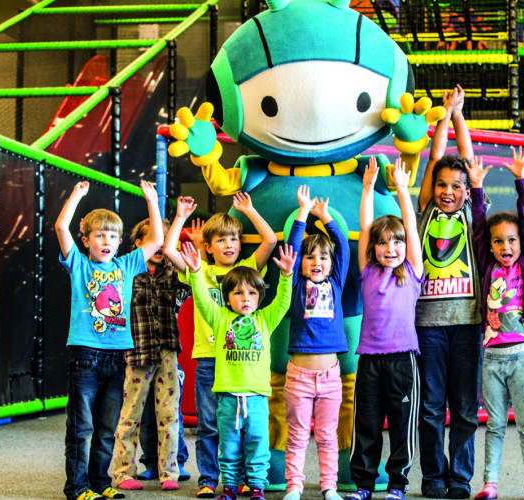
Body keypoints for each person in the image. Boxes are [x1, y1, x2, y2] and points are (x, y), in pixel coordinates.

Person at [162, 193, 277, 498]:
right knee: (210, 424)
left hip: (240, 367)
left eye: (233, 239)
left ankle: (234, 478)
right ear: (209, 246)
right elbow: (169, 249)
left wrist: (249, 210)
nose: (228, 245)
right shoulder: (199, 269)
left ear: (240, 245)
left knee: (238, 427)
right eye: (221, 240)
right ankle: (208, 479)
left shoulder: (247, 271)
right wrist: (181, 218)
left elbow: (269, 241)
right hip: (209, 360)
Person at [55, 180, 163, 500]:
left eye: (112, 236)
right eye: (99, 235)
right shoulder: (79, 264)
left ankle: (100, 482)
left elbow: (157, 239)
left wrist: (152, 200)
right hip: (85, 355)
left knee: (106, 428)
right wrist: (76, 195)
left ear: (118, 243)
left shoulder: (126, 265)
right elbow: (61, 225)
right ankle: (77, 488)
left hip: (117, 356)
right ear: (86, 239)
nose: (106, 241)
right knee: (81, 427)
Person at [179, 242, 296, 500]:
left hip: (256, 398)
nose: (246, 299)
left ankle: (256, 487)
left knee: (257, 445)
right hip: (228, 399)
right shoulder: (220, 317)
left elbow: (283, 302)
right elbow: (201, 300)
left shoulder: (264, 319)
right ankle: (229, 488)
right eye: (239, 294)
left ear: (259, 296)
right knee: (228, 446)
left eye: (252, 293)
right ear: (227, 297)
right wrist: (196, 272)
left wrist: (287, 276)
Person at [467, 148, 524, 500]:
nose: (505, 246)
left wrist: (522, 183)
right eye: (499, 241)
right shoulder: (487, 264)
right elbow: (479, 231)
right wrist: (476, 190)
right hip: (493, 358)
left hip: (522, 357)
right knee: (496, 425)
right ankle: (490, 484)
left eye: (511, 240)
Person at [415, 85, 482, 499]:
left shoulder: (472, 212)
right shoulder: (425, 210)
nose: (448, 191)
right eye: (443, 185)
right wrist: (443, 116)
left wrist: (459, 116)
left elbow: (465, 162)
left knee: (463, 407)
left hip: (468, 324)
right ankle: (432, 475)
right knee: (430, 406)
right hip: (428, 325)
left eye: (457, 187)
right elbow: (435, 162)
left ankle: (460, 477)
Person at [345, 157, 423, 500]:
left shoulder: (413, 273)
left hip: (404, 360)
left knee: (403, 425)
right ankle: (364, 484)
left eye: (397, 243)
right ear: (374, 250)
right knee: (367, 425)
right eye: (383, 243)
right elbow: (364, 229)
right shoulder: (368, 272)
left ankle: (397, 485)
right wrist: (366, 190)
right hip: (370, 361)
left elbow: (411, 227)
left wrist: (404, 191)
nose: (390, 249)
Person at [111, 218, 190, 492]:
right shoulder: (128, 273)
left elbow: (193, 281)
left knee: (169, 416)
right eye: (155, 240)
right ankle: (122, 472)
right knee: (131, 414)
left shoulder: (174, 274)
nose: (161, 246)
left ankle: (169, 471)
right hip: (138, 353)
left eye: (166, 240)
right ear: (139, 244)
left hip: (167, 351)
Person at [282, 186, 350, 500]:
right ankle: (294, 486)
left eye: (322, 256)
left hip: (330, 376)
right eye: (310, 257)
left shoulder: (336, 281)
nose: (316, 261)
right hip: (298, 376)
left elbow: (343, 248)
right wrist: (303, 214)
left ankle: (328, 487)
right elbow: (292, 249)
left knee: (326, 436)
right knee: (296, 436)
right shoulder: (295, 282)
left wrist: (326, 219)